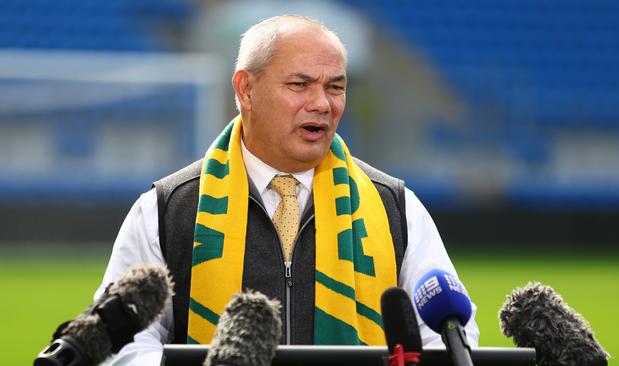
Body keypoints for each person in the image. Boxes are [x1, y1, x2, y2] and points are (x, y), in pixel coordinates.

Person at [95, 14, 479, 365]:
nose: (322, 103)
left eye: (335, 87)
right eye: (300, 84)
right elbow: (124, 343)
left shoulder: (396, 207)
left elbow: (449, 336)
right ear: (246, 90)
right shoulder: (166, 209)